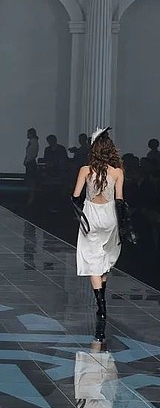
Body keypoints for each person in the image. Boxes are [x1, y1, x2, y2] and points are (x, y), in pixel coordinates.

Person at [71, 127, 123, 326]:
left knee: (93, 259)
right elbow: (120, 200)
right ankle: (103, 294)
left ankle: (101, 305)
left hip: (91, 216)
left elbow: (76, 196)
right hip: (110, 216)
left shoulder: (85, 170)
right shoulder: (118, 172)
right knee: (106, 256)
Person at [24, 128, 40, 204]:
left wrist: (27, 160)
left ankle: (32, 197)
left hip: (31, 163)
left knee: (31, 180)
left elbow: (32, 154)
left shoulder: (34, 142)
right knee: (30, 180)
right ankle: (30, 197)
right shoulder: (32, 142)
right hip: (29, 162)